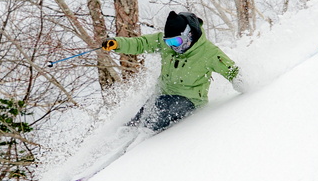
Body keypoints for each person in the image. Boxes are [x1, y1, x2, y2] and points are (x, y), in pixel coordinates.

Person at [103, 11, 241, 132]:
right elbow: (141, 43)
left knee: (156, 115)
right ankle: (125, 138)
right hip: (163, 95)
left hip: (190, 100)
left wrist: (246, 87)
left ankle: (144, 141)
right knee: (140, 117)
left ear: (189, 34)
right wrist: (117, 43)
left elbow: (231, 70)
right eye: (169, 42)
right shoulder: (165, 44)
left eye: (177, 41)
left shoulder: (208, 53)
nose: (174, 46)